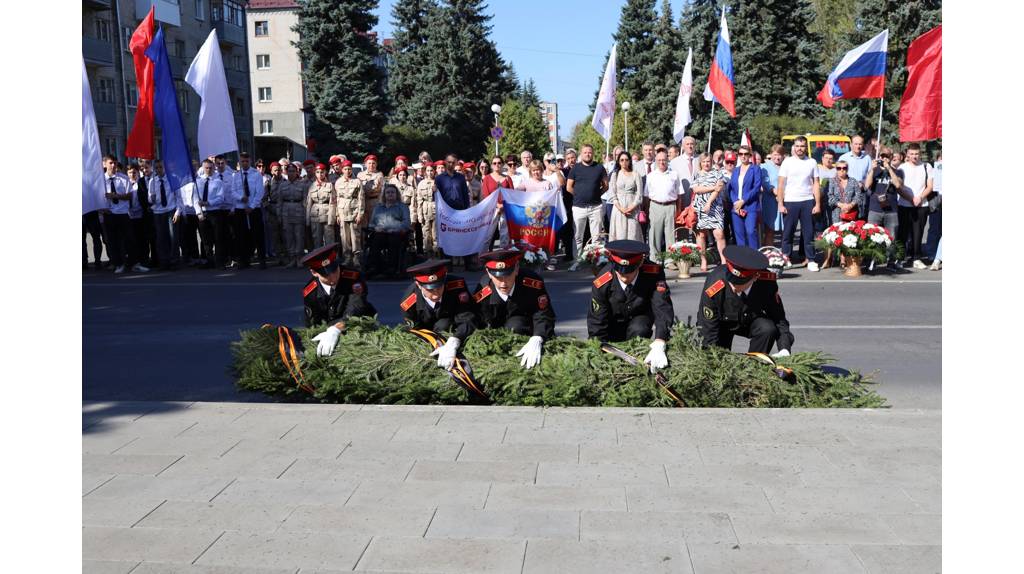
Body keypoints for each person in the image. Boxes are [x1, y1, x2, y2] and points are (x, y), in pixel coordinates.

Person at [587, 240, 674, 372]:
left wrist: (660, 341)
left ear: (639, 264)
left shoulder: (653, 273)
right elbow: (597, 321)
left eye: (629, 272)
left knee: (639, 328)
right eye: (620, 272)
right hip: (612, 324)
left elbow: (662, 307)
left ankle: (638, 362)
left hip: (640, 319)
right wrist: (597, 350)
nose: (624, 276)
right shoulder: (602, 281)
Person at [696, 245, 794, 356]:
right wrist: (710, 358)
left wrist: (784, 348)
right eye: (731, 282)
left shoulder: (766, 282)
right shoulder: (714, 282)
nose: (733, 287)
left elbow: (779, 318)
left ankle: (755, 364)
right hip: (721, 323)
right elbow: (707, 325)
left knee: (767, 329)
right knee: (718, 356)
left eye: (739, 283)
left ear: (755, 277)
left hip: (749, 319)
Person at [473, 249, 556, 369]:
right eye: (498, 277)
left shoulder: (532, 283)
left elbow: (543, 314)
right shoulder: (483, 290)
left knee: (515, 326)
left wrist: (538, 337)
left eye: (508, 275)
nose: (503, 283)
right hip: (497, 334)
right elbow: (478, 321)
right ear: (489, 273)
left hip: (525, 331)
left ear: (516, 269)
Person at [400, 259, 478, 369]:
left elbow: (467, 318)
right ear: (418, 284)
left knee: (444, 324)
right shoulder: (409, 302)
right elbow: (414, 331)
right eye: (430, 289)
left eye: (439, 286)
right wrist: (435, 344)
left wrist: (455, 340)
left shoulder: (456, 287)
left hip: (451, 329)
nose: (436, 293)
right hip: (428, 336)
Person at [301, 243, 376, 357]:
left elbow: (356, 308)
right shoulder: (310, 291)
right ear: (314, 272)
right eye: (326, 275)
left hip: (358, 325)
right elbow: (312, 324)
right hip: (327, 334)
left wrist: (336, 329)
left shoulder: (353, 277)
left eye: (334, 270)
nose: (332, 277)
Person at [777, 136, 822, 271]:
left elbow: (816, 184)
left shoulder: (812, 162)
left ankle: (811, 260)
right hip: (790, 201)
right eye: (797, 146)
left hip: (807, 200)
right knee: (788, 233)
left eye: (802, 146)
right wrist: (780, 203)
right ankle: (786, 258)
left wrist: (817, 204)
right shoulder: (787, 162)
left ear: (806, 147)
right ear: (793, 147)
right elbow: (780, 185)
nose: (799, 149)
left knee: (808, 232)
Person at [566, 144, 609, 271]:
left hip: (596, 207)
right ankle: (578, 261)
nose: (587, 154)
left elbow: (606, 186)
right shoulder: (575, 169)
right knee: (578, 237)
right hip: (579, 207)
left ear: (593, 153)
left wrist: (596, 194)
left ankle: (596, 261)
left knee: (596, 237)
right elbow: (569, 187)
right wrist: (579, 195)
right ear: (581, 153)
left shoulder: (599, 167)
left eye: (590, 152)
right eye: (585, 152)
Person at [862, 148, 904, 269]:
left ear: (891, 157)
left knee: (892, 236)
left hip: (891, 210)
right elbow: (867, 185)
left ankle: (891, 261)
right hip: (875, 208)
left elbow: (897, 184)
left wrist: (889, 168)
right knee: (872, 236)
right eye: (882, 155)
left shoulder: (898, 171)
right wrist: (872, 170)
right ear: (879, 156)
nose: (884, 158)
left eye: (887, 156)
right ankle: (872, 260)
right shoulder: (874, 171)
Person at [896, 143, 934, 269]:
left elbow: (930, 186)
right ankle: (900, 258)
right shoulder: (902, 167)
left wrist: (920, 198)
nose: (914, 156)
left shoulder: (926, 166)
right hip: (905, 204)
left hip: (921, 205)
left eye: (917, 154)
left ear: (920, 153)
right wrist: (911, 198)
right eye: (912, 154)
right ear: (907, 154)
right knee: (903, 233)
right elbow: (899, 187)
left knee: (918, 233)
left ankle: (916, 258)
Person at [823, 160, 865, 269]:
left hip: (851, 213)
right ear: (836, 169)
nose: (842, 170)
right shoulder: (831, 181)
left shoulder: (853, 181)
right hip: (836, 213)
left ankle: (844, 259)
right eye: (839, 168)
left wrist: (850, 205)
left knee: (848, 236)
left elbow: (859, 196)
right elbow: (829, 197)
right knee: (837, 235)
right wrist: (841, 205)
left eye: (844, 168)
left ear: (847, 169)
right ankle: (830, 259)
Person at [643, 150, 681, 262]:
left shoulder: (674, 174)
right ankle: (655, 259)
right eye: (659, 160)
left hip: (670, 206)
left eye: (664, 160)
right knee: (654, 235)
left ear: (667, 160)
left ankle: (670, 260)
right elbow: (646, 195)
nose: (661, 162)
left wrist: (678, 210)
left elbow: (679, 194)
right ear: (655, 161)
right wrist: (646, 210)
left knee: (671, 235)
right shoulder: (650, 176)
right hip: (655, 206)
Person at [691, 153, 727, 271]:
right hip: (700, 208)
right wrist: (712, 187)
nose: (706, 164)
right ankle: (703, 260)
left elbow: (719, 189)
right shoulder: (696, 174)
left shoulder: (718, 173)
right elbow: (696, 189)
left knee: (719, 234)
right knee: (701, 235)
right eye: (704, 161)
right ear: (700, 163)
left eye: (708, 161)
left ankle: (723, 260)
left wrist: (709, 203)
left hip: (715, 207)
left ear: (712, 162)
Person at [195, 158, 232, 269]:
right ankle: (209, 260)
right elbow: (195, 198)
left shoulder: (218, 181)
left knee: (218, 238)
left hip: (215, 213)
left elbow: (220, 198)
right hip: (203, 214)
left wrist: (208, 203)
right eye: (206, 168)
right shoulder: (198, 181)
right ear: (203, 168)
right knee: (206, 239)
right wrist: (198, 212)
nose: (209, 170)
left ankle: (219, 262)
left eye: (211, 168)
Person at [368, 184, 411, 277]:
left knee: (394, 240)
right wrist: (375, 228)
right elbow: (371, 223)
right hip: (380, 232)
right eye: (388, 192)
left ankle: (391, 268)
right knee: (375, 241)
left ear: (396, 194)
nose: (390, 194)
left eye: (392, 192)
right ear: (384, 195)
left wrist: (396, 229)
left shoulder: (402, 207)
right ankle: (375, 267)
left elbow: (406, 223)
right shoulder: (378, 207)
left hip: (396, 233)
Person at [234, 152, 267, 269]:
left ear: (250, 161)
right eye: (242, 161)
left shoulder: (256, 175)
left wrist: (252, 206)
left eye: (246, 161)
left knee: (258, 235)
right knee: (241, 236)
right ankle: (244, 260)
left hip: (254, 209)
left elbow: (260, 193)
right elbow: (232, 191)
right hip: (240, 209)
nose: (244, 163)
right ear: (239, 162)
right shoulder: (236, 176)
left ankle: (262, 260)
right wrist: (240, 197)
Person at [728, 145, 763, 249]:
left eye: (745, 154)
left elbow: (756, 188)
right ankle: (742, 262)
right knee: (739, 235)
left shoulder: (755, 169)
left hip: (750, 206)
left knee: (751, 232)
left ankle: (754, 259)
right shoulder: (735, 170)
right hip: (736, 207)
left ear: (750, 155)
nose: (743, 156)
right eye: (740, 154)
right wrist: (736, 202)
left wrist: (742, 201)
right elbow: (731, 189)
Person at [147, 160, 179, 270]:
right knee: (161, 238)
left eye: (160, 167)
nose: (158, 169)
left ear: (164, 168)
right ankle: (164, 261)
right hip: (158, 212)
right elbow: (149, 198)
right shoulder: (153, 181)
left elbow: (178, 196)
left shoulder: (172, 178)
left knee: (173, 237)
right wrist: (152, 198)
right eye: (156, 168)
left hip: (170, 210)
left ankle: (174, 260)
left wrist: (178, 211)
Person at [274, 162, 308, 268]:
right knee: (289, 237)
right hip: (286, 212)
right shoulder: (282, 185)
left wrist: (306, 215)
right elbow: (279, 202)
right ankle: (292, 258)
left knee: (299, 236)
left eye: (293, 171)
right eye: (289, 171)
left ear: (297, 172)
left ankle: (299, 258)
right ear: (286, 172)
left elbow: (306, 201)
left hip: (298, 211)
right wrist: (279, 215)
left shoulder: (302, 184)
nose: (291, 173)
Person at [333, 160, 365, 265]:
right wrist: (337, 214)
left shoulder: (357, 182)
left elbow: (361, 199)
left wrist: (360, 214)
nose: (347, 171)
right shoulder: (338, 182)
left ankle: (356, 257)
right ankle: (347, 257)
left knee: (355, 236)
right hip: (343, 212)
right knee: (344, 237)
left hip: (354, 211)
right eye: (345, 169)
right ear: (342, 170)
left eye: (349, 169)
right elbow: (336, 199)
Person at [608, 151, 643, 242]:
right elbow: (612, 194)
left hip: (633, 209)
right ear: (618, 162)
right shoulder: (615, 175)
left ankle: (633, 256)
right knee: (620, 235)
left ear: (630, 161)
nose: (624, 162)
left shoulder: (636, 174)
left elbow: (639, 194)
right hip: (618, 209)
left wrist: (631, 207)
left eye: (626, 160)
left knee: (633, 235)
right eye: (621, 160)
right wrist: (621, 209)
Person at [482, 157, 513, 251]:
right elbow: (486, 195)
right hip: (492, 209)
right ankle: (483, 255)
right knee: (488, 233)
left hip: (505, 208)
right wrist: (497, 205)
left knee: (505, 234)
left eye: (499, 163)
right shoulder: (487, 178)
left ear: (502, 164)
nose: (497, 165)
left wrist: (503, 205)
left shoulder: (507, 178)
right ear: (491, 165)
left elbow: (512, 194)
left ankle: (504, 255)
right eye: (494, 163)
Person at [125, 164, 152, 272]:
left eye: (134, 172)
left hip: (141, 215)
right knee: (131, 240)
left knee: (143, 239)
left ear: (137, 172)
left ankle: (144, 261)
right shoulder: (125, 184)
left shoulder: (141, 183)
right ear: (127, 174)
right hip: (129, 215)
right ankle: (133, 261)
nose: (132, 174)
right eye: (130, 172)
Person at [306, 163, 336, 251]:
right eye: (318, 172)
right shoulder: (312, 185)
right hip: (315, 216)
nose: (320, 174)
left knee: (329, 240)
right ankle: (319, 262)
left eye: (322, 172)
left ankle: (330, 261)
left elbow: (332, 203)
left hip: (327, 216)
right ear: (315, 173)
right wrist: (307, 220)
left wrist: (331, 219)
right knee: (316, 240)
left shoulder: (330, 185)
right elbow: (309, 203)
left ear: (325, 172)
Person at [759, 144, 784, 248]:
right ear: (771, 155)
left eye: (779, 155)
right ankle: (769, 253)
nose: (777, 157)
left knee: (786, 230)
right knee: (770, 229)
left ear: (783, 156)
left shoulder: (787, 166)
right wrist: (777, 193)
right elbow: (765, 182)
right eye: (775, 155)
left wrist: (783, 196)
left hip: (785, 201)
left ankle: (786, 255)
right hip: (770, 202)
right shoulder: (764, 167)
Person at [414, 164, 438, 256]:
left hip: (435, 208)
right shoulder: (421, 184)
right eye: (427, 170)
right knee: (426, 234)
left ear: (434, 171)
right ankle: (428, 255)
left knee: (435, 234)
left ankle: (437, 254)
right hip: (425, 210)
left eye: (431, 170)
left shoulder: (438, 182)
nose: (429, 172)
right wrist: (420, 215)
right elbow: (419, 200)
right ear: (425, 171)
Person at [669, 136, 699, 209]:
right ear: (683, 146)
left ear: (695, 145)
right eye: (687, 144)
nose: (690, 146)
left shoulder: (700, 160)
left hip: (697, 200)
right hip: (681, 200)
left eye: (692, 144)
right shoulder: (674, 162)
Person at [358, 154, 384, 234]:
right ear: (365, 164)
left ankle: (374, 244)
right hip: (363, 202)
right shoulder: (360, 175)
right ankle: (364, 245)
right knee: (363, 226)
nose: (371, 165)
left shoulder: (379, 175)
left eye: (373, 163)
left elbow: (382, 191)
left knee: (375, 225)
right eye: (369, 163)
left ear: (376, 164)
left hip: (375, 202)